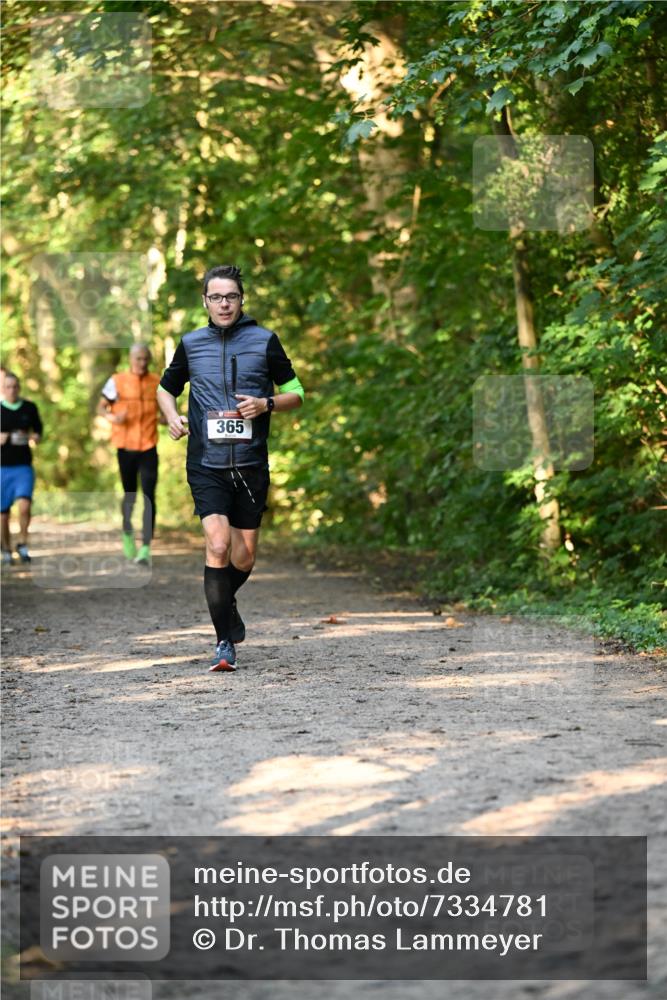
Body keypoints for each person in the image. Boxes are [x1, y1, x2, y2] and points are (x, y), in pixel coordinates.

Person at [157, 264, 304, 672]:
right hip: (206, 463)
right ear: (205, 301)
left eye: (231, 297)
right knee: (218, 545)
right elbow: (166, 389)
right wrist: (171, 417)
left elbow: (296, 392)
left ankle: (225, 597)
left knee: (244, 556)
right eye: (216, 297)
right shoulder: (191, 344)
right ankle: (224, 642)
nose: (224, 304)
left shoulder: (264, 341)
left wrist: (266, 403)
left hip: (251, 463)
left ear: (242, 300)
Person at [98, 343, 162, 565]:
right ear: (130, 359)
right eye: (138, 359)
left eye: (145, 359)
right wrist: (112, 417)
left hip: (149, 446)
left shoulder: (157, 381)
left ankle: (145, 547)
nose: (142, 363)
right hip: (125, 447)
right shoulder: (117, 380)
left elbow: (164, 410)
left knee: (149, 496)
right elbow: (101, 407)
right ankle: (127, 532)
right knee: (130, 495)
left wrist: (169, 419)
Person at [0, 372, 43, 564]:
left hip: (23, 466)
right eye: (8, 387)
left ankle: (23, 544)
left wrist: (34, 438)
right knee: (3, 514)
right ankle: (5, 548)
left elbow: (39, 431)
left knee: (25, 506)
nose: (12, 390)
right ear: (3, 389)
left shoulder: (29, 408)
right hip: (2, 468)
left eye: (15, 386)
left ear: (19, 388)